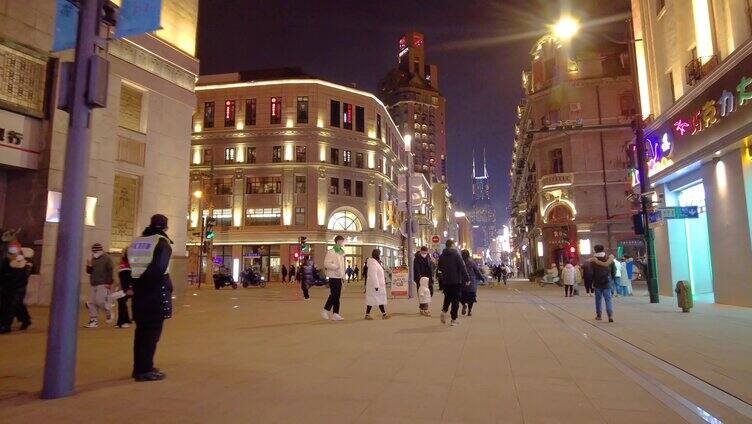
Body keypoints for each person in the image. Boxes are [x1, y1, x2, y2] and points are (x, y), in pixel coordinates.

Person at [128, 214, 173, 382]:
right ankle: (145, 370)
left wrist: (134, 286)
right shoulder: (162, 243)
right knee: (151, 334)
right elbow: (158, 268)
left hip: (139, 295)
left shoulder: (136, 242)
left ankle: (139, 367)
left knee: (141, 333)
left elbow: (126, 267)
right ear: (165, 228)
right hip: (154, 294)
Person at [0, 242, 33, 333]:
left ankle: (5, 325)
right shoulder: (6, 261)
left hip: (17, 287)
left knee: (10, 306)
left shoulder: (22, 262)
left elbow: (23, 275)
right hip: (7, 287)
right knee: (16, 305)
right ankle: (26, 320)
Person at [437, 239, 469, 326]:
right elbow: (463, 267)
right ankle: (453, 319)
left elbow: (439, 268)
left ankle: (444, 311)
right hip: (456, 281)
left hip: (446, 281)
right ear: (451, 245)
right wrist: (467, 278)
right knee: (455, 300)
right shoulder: (456, 255)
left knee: (447, 297)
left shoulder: (442, 256)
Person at [84, 243, 114, 328]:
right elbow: (89, 272)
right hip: (93, 283)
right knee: (91, 302)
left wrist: (109, 282)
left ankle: (108, 311)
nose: (95, 252)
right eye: (93, 251)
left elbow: (110, 270)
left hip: (103, 283)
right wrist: (88, 266)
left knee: (100, 300)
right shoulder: (92, 258)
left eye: (96, 251)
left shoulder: (107, 258)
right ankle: (93, 320)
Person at [589, 245, 616, 322]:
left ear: (595, 250)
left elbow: (590, 273)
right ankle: (610, 316)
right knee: (608, 299)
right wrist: (612, 279)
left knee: (598, 299)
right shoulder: (609, 259)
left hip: (597, 283)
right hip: (607, 282)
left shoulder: (593, 261)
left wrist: (591, 282)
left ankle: (599, 315)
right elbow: (614, 271)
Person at [322, 235, 346, 321]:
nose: (343, 243)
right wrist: (335, 267)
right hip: (333, 276)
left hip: (339, 277)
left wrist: (343, 276)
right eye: (342, 241)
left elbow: (342, 266)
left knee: (337, 296)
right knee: (334, 295)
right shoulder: (331, 252)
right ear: (338, 241)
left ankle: (336, 313)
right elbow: (326, 263)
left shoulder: (341, 252)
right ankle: (325, 310)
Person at [364, 249, 390, 320]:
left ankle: (382, 314)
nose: (379, 255)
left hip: (377, 284)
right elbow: (373, 274)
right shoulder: (373, 263)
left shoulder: (375, 262)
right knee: (375, 299)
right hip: (375, 285)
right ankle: (383, 314)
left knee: (376, 299)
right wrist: (376, 285)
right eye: (379, 254)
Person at [460, 249, 482, 316]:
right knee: (471, 298)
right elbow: (477, 271)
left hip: (462, 282)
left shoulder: (460, 262)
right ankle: (469, 311)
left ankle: (463, 305)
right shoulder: (472, 262)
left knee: (460, 296)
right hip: (471, 283)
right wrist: (482, 278)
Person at [116, 252, 133, 329]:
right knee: (121, 301)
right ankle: (124, 321)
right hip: (125, 288)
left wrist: (129, 288)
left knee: (121, 301)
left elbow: (129, 278)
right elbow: (122, 278)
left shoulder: (127, 265)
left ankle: (124, 321)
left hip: (129, 288)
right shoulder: (123, 264)